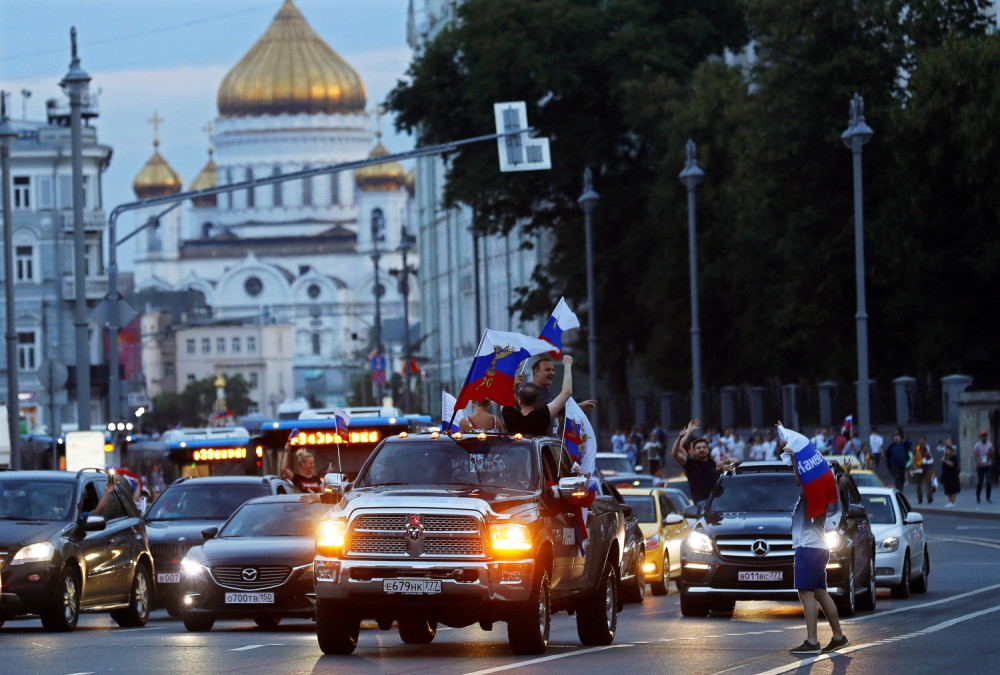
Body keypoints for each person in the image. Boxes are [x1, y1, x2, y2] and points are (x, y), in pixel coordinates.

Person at [782, 442, 849, 655]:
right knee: (821, 593)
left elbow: (800, 479)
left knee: (806, 595)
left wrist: (795, 459)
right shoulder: (824, 494)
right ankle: (838, 637)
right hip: (818, 549)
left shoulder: (814, 494)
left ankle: (812, 641)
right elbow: (839, 486)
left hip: (808, 548)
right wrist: (846, 474)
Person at [671, 419, 738, 507]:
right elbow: (676, 451)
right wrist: (687, 431)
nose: (702, 449)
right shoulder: (690, 462)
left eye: (704, 447)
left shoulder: (711, 462)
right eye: (698, 448)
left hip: (717, 501)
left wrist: (729, 460)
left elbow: (720, 465)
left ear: (708, 449)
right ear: (693, 451)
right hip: (702, 504)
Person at [502, 354, 574, 436]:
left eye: (553, 370)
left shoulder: (508, 414)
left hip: (514, 448)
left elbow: (503, 397)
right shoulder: (543, 415)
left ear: (519, 400)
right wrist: (568, 365)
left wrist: (512, 379)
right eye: (547, 370)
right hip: (542, 447)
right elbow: (566, 392)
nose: (552, 373)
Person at [910, 436, 934, 504]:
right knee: (918, 485)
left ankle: (929, 498)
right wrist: (914, 465)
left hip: (926, 468)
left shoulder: (927, 449)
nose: (921, 442)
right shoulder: (916, 449)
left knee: (928, 483)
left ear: (925, 441)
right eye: (920, 441)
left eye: (922, 441)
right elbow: (913, 457)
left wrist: (931, 466)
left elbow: (930, 457)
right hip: (918, 469)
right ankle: (919, 498)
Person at [974, 430, 994, 504]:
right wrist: (977, 460)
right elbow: (975, 455)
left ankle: (988, 497)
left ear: (986, 436)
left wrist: (990, 453)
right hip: (980, 466)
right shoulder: (977, 445)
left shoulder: (989, 445)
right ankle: (978, 495)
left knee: (988, 482)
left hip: (988, 465)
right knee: (980, 482)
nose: (984, 437)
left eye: (985, 435)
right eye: (982, 436)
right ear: (980, 437)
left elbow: (992, 453)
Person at [940, 439, 960, 507]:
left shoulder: (953, 457)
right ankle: (950, 502)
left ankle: (952, 502)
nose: (947, 451)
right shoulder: (945, 457)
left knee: (953, 489)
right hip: (946, 475)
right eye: (946, 450)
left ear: (951, 451)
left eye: (948, 450)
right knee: (947, 490)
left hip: (953, 475)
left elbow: (952, 464)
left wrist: (945, 461)